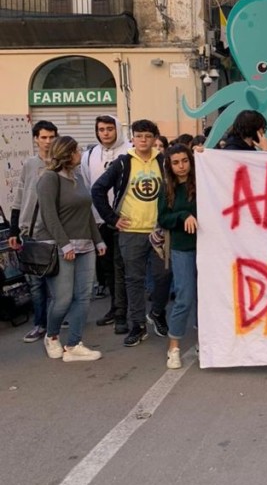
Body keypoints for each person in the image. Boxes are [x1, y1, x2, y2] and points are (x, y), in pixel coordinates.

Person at [91, 119, 172, 348]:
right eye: (138, 136)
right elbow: (97, 189)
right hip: (131, 232)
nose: (143, 141)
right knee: (133, 280)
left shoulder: (163, 162)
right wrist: (113, 219)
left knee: (164, 276)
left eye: (147, 136)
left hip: (160, 231)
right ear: (132, 138)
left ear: (155, 137)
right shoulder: (123, 163)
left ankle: (157, 312)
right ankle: (137, 324)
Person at [36, 136, 106, 362]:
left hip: (85, 245)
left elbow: (86, 213)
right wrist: (64, 244)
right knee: (63, 299)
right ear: (67, 154)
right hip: (60, 246)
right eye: (77, 151)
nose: (80, 154)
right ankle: (52, 335)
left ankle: (74, 343)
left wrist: (98, 240)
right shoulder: (49, 178)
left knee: (83, 297)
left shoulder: (77, 177)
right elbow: (49, 215)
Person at [79, 114, 131, 333]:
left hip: (127, 219)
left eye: (110, 128)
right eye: (101, 129)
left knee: (127, 267)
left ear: (117, 129)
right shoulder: (89, 155)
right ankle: (115, 307)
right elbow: (90, 184)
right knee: (108, 268)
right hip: (102, 220)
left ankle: (129, 310)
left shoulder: (130, 150)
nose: (106, 133)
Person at [9, 120, 58, 343]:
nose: (48, 141)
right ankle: (40, 324)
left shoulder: (62, 164)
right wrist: (14, 230)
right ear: (36, 139)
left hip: (56, 232)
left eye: (51, 137)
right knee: (36, 284)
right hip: (30, 232)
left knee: (57, 282)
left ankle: (56, 319)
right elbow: (19, 198)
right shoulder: (29, 164)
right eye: (44, 137)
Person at [157, 144, 198, 370]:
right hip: (182, 248)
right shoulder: (167, 189)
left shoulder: (203, 182)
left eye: (185, 161)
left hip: (208, 247)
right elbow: (163, 218)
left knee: (207, 297)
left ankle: (206, 341)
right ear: (169, 166)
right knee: (185, 296)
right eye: (176, 162)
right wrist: (183, 216)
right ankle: (174, 347)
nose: (181, 166)